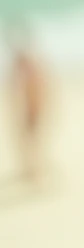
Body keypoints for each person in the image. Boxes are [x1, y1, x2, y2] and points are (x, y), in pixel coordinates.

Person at [6, 19, 47, 186]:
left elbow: (36, 84)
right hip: (28, 106)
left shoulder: (26, 61)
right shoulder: (24, 60)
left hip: (31, 106)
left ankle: (34, 172)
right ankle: (31, 170)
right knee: (27, 139)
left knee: (30, 138)